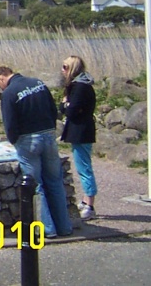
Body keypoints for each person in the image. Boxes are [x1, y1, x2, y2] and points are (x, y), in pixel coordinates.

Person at [0, 65, 73, 238]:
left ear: (1, 78)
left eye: (0, 85)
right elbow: (53, 110)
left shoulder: (9, 93)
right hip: (48, 135)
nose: (2, 88)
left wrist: (14, 141)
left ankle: (47, 229)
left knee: (34, 185)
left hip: (28, 140)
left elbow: (10, 123)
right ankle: (64, 226)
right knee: (55, 181)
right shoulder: (38, 83)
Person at [60, 55, 98, 220]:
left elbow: (70, 110)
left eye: (64, 67)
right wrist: (66, 105)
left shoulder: (80, 87)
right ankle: (85, 200)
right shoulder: (80, 85)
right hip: (80, 129)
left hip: (81, 130)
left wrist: (65, 104)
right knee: (82, 165)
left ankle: (89, 204)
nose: (62, 70)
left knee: (84, 168)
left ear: (71, 69)